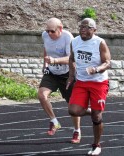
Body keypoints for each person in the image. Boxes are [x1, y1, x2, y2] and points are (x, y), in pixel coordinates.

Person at [67, 18, 111, 155]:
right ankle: (95, 112)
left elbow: (108, 62)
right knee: (74, 110)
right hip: (81, 81)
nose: (83, 29)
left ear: (94, 30)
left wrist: (96, 69)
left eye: (87, 27)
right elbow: (71, 59)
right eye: (81, 27)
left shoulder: (100, 43)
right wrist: (71, 77)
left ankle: (96, 145)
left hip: (98, 82)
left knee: (97, 118)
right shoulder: (74, 41)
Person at [38, 18, 85, 143]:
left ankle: (76, 130)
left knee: (72, 106)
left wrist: (55, 60)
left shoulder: (68, 38)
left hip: (67, 74)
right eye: (47, 30)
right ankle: (54, 121)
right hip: (52, 73)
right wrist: (45, 65)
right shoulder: (45, 35)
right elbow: (46, 49)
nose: (49, 34)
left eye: (52, 31)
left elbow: (71, 58)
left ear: (60, 28)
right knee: (42, 95)